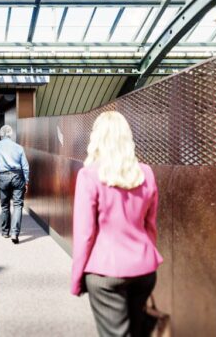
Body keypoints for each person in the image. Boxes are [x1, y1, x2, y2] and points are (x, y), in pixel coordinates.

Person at [70, 111, 163, 337]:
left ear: (97, 139)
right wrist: (145, 257)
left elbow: (85, 234)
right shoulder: (146, 173)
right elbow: (150, 225)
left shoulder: (89, 176)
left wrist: (76, 279)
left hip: (105, 273)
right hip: (143, 271)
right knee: (137, 330)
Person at [0, 125, 29, 244]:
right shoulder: (19, 147)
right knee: (18, 205)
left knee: (5, 205)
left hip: (3, 177)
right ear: (11, 134)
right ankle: (15, 233)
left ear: (1, 134)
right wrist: (26, 181)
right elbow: (25, 166)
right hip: (18, 176)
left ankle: (5, 232)